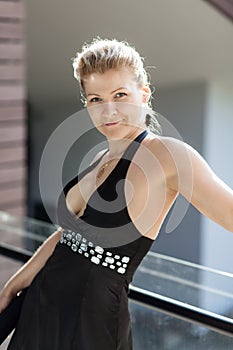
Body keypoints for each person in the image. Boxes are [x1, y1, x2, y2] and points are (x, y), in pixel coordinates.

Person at [0, 37, 233, 349]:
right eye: (96, 99)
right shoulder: (100, 157)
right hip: (43, 302)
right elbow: (69, 233)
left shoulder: (169, 156)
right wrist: (18, 280)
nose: (109, 111)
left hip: (91, 318)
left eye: (120, 95)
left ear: (144, 93)